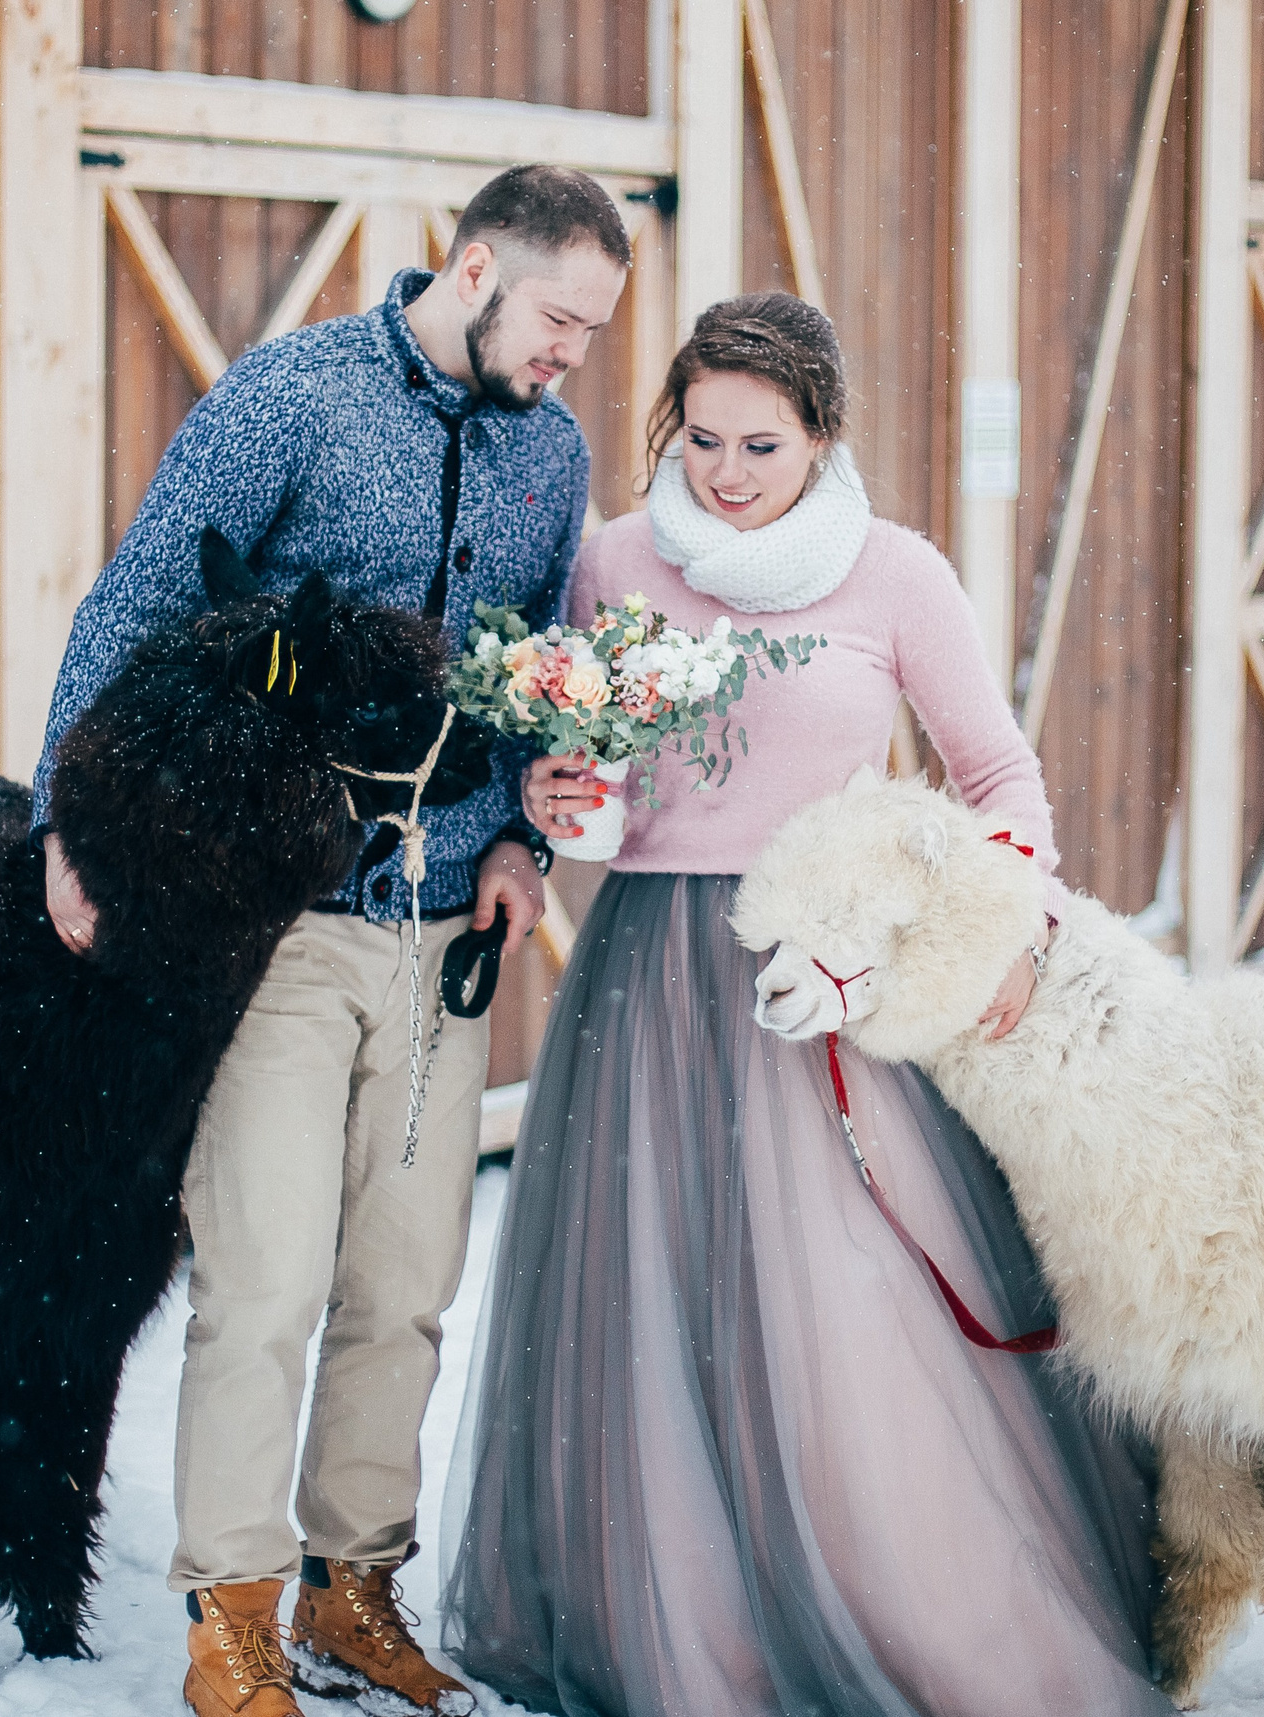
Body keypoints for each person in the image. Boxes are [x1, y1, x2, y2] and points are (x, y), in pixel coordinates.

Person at [440, 294, 1173, 1717]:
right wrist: (552, 801)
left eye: (761, 445)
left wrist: (995, 933)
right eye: (702, 438)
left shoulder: (895, 576)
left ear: (824, 437)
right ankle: (681, 1629)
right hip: (649, 981)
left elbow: (1002, 785)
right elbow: (571, 776)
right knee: (647, 1308)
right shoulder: (610, 562)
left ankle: (905, 1608)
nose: (725, 471)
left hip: (831, 982)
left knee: (852, 1313)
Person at [29, 165, 629, 1717]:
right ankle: (227, 1623)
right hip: (279, 927)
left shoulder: (551, 458)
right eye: (560, 316)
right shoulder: (289, 397)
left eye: (595, 330)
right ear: (478, 265)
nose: (573, 352)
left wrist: (523, 835)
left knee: (404, 1288)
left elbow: (531, 684)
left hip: (447, 943)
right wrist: (62, 823)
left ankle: (351, 1591)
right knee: (266, 1278)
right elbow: (138, 605)